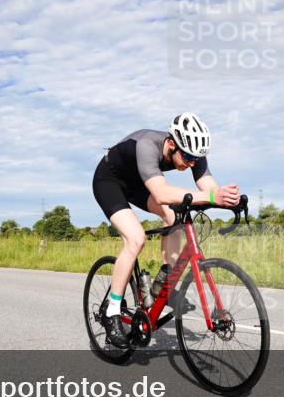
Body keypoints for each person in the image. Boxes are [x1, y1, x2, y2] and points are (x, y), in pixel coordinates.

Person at [92, 113, 240, 348]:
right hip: (110, 180)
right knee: (136, 238)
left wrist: (228, 199)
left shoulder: (193, 154)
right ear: (171, 144)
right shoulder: (146, 146)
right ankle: (111, 311)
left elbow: (210, 188)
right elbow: (161, 194)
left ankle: (164, 279)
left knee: (173, 216)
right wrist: (212, 197)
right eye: (188, 157)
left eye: (196, 159)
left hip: (140, 184)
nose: (192, 163)